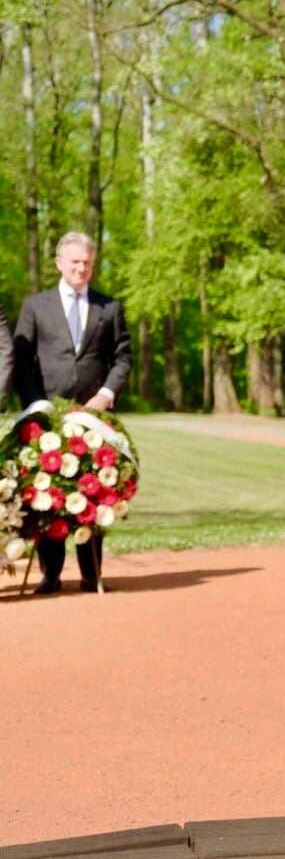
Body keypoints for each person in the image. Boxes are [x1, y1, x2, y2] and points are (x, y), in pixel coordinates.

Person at [13, 232, 132, 593]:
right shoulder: (36, 306)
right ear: (59, 263)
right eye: (75, 262)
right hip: (48, 415)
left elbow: (123, 357)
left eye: (87, 263)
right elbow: (21, 361)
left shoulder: (108, 307)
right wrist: (36, 403)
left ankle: (91, 572)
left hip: (95, 416)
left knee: (94, 491)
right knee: (49, 491)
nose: (82, 268)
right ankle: (51, 574)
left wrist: (107, 392)